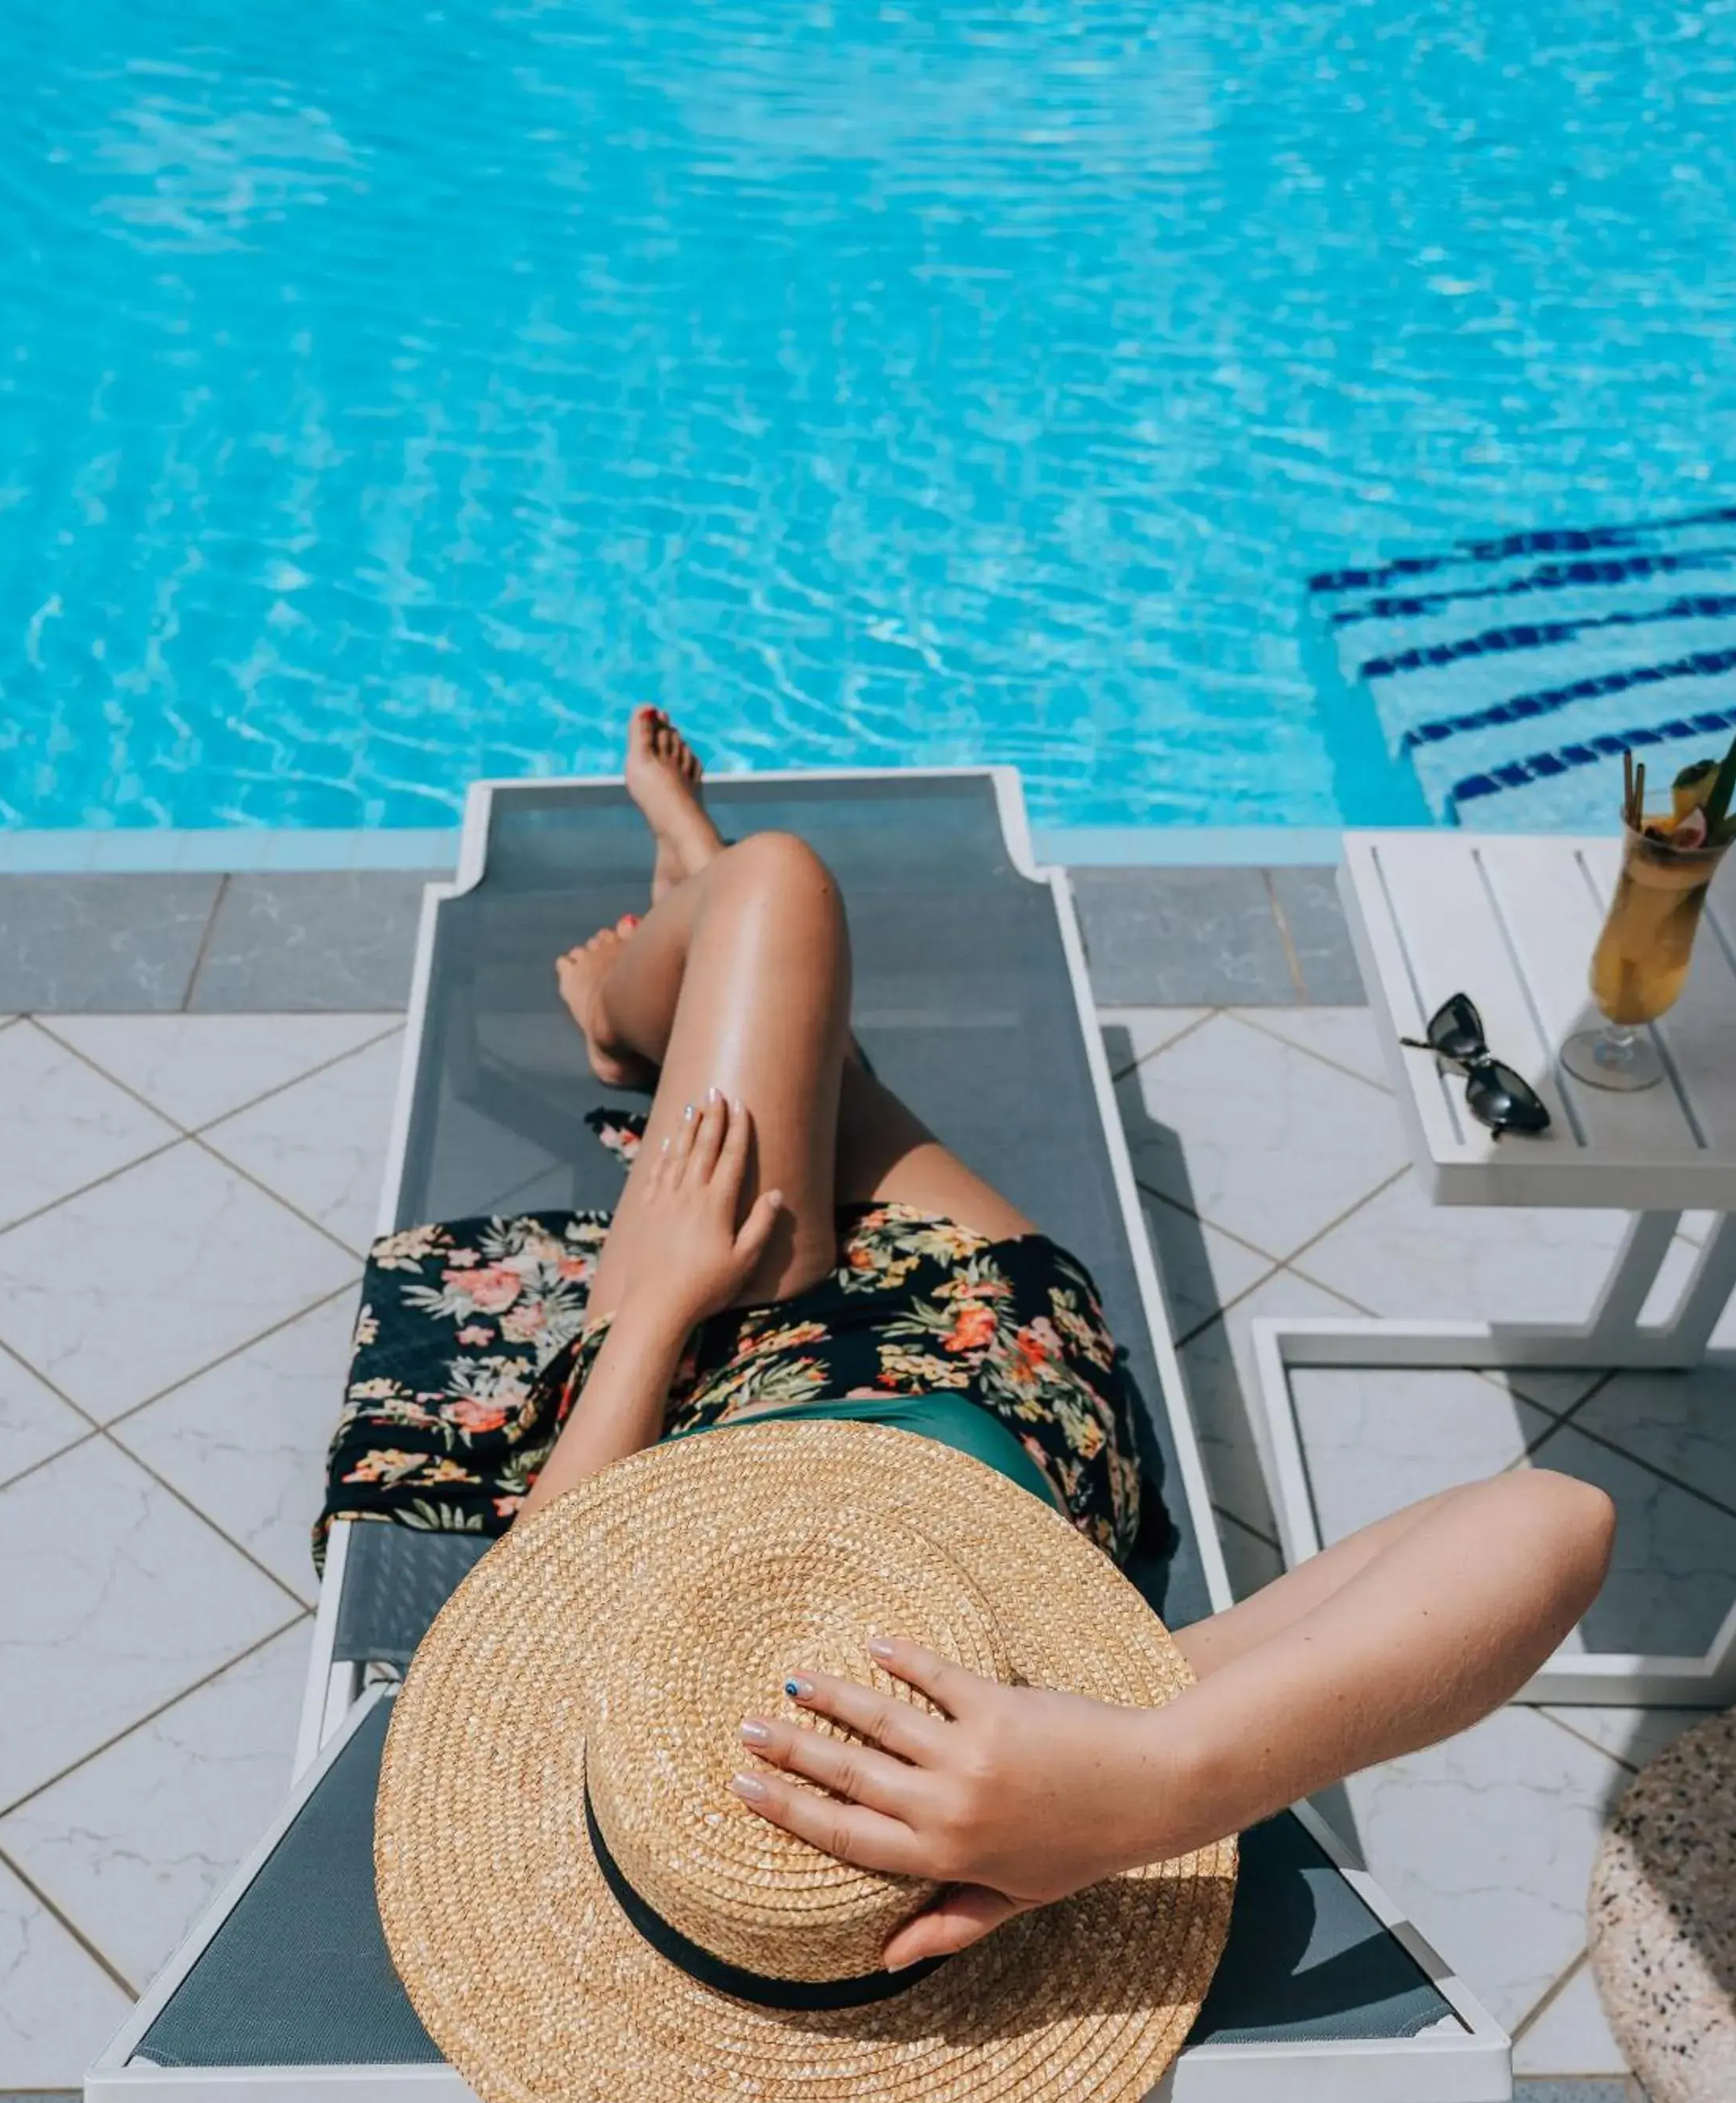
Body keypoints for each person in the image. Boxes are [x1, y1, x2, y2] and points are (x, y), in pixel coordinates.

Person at [523, 704, 1616, 1973]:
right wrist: (1151, 1788)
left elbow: (537, 1591)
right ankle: (670, 950)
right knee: (784, 949)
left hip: (723, 1349)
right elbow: (1558, 1518)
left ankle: (634, 998)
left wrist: (657, 1301)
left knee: (773, 925)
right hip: (988, 1347)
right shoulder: (1077, 1728)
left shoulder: (620, 1687)